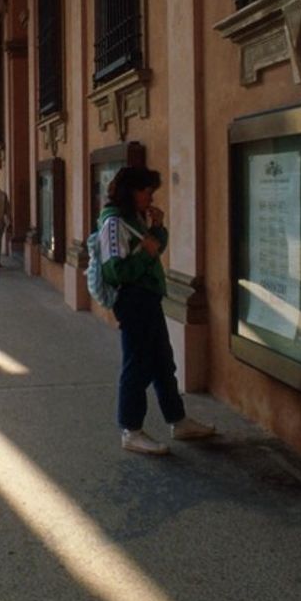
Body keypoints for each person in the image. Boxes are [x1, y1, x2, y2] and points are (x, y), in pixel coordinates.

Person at [94, 167, 215, 456]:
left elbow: (153, 251)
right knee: (137, 365)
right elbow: (115, 272)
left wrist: (158, 230)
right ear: (131, 192)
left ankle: (178, 420)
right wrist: (146, 251)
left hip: (148, 298)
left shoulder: (133, 219)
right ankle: (131, 430)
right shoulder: (113, 224)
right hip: (133, 301)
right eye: (146, 192)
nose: (150, 198)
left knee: (163, 362)